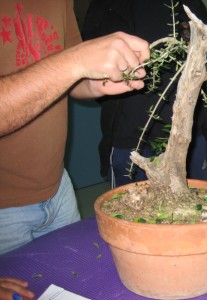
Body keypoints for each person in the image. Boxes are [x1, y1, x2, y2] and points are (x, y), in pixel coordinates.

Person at [0, 0, 149, 297]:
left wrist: (95, 84)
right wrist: (75, 61)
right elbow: (68, 64)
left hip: (58, 187)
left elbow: (69, 80)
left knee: (77, 282)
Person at [81, 0, 207, 188]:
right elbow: (89, 68)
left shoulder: (193, 4)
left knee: (190, 207)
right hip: (128, 139)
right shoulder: (105, 5)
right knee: (130, 212)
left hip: (189, 136)